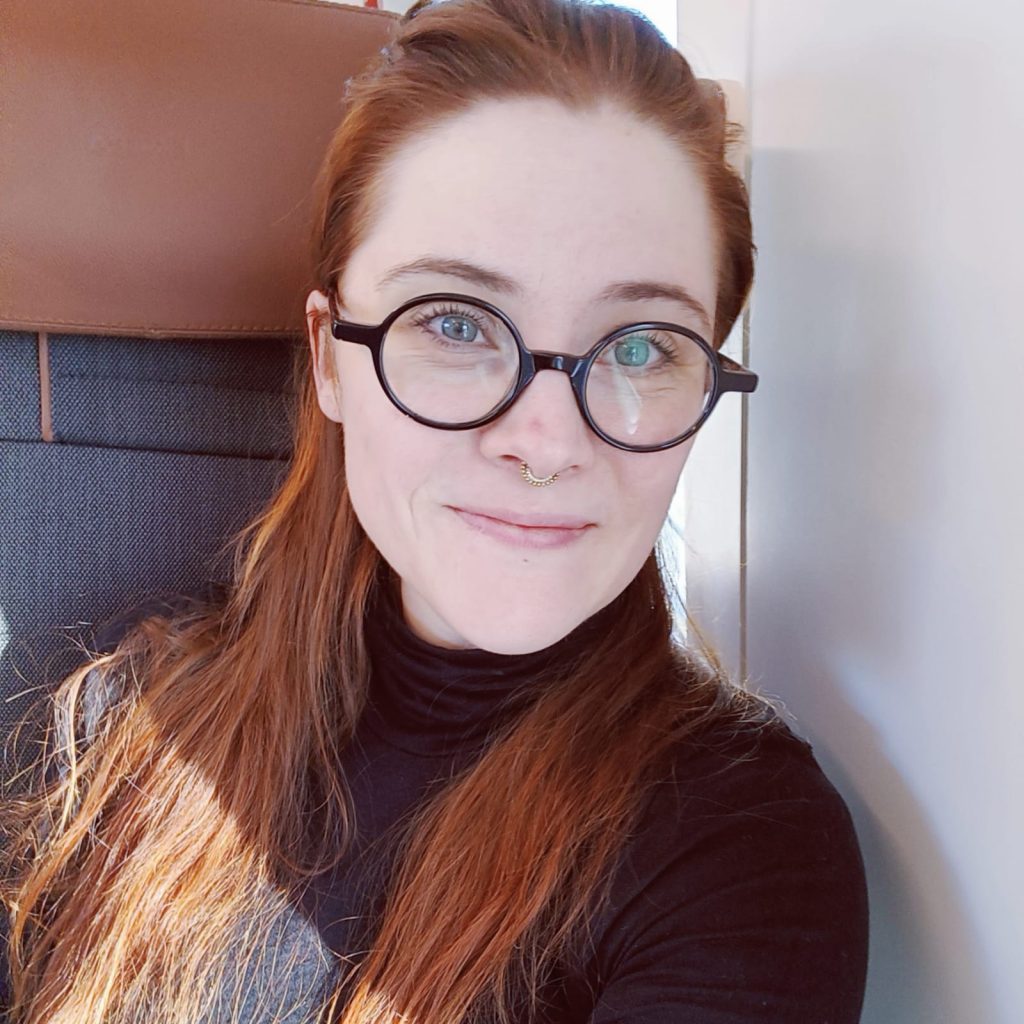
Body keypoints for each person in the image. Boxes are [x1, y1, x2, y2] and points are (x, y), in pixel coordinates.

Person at [0, 0, 869, 1021]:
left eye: (640, 346)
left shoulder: (737, 851)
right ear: (330, 358)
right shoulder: (122, 729)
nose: (546, 441)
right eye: (456, 324)